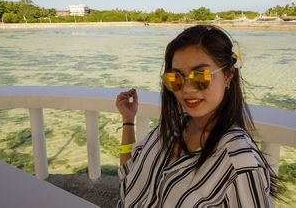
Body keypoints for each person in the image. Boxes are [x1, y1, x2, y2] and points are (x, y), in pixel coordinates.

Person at [115, 25, 279, 207]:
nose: (187, 89)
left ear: (228, 75)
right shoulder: (171, 127)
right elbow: (129, 175)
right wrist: (128, 120)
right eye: (175, 78)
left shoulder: (240, 164)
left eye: (200, 76)